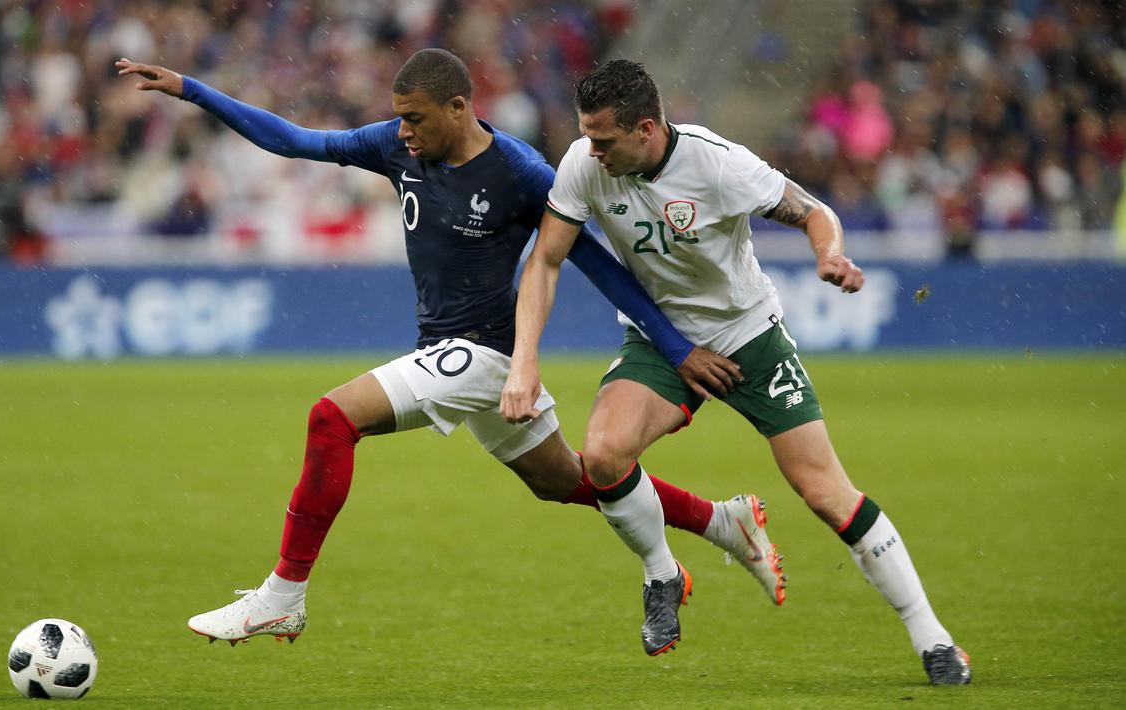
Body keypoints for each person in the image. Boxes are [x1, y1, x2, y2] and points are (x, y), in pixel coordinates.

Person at [115, 49, 787, 648]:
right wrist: (193, 89)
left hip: (486, 354)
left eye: (415, 118)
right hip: (448, 352)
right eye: (398, 119)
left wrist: (672, 346)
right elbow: (296, 141)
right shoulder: (396, 147)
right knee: (567, 480)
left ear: (458, 107)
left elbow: (594, 262)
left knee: (331, 419)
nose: (403, 132)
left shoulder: (520, 171)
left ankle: (281, 600)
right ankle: (722, 521)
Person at [501, 59, 970, 684]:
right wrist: (524, 361)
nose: (592, 151)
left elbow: (812, 211)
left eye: (604, 139)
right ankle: (663, 571)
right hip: (660, 344)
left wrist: (829, 255)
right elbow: (546, 261)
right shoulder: (586, 165)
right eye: (587, 136)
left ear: (646, 128)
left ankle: (933, 639)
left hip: (749, 336)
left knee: (824, 491)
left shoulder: (717, 162)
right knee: (605, 454)